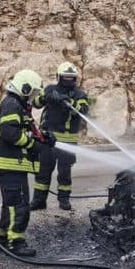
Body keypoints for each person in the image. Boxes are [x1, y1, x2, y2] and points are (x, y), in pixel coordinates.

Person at [0, 69, 53, 257]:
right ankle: (15, 243)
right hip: (11, 164)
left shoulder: (18, 105)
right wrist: (33, 144)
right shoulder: (12, 104)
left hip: (13, 166)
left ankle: (2, 239)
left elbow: (25, 130)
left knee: (10, 205)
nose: (33, 97)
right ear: (24, 88)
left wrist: (43, 137)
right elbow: (10, 133)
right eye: (32, 92)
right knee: (19, 206)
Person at [30, 62, 90, 212]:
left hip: (68, 142)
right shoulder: (50, 89)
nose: (68, 80)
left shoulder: (79, 94)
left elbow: (83, 110)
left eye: (71, 78)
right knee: (43, 172)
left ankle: (64, 200)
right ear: (59, 77)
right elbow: (35, 102)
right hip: (48, 140)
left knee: (64, 174)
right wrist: (48, 97)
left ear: (75, 78)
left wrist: (70, 103)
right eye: (65, 77)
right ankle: (39, 201)